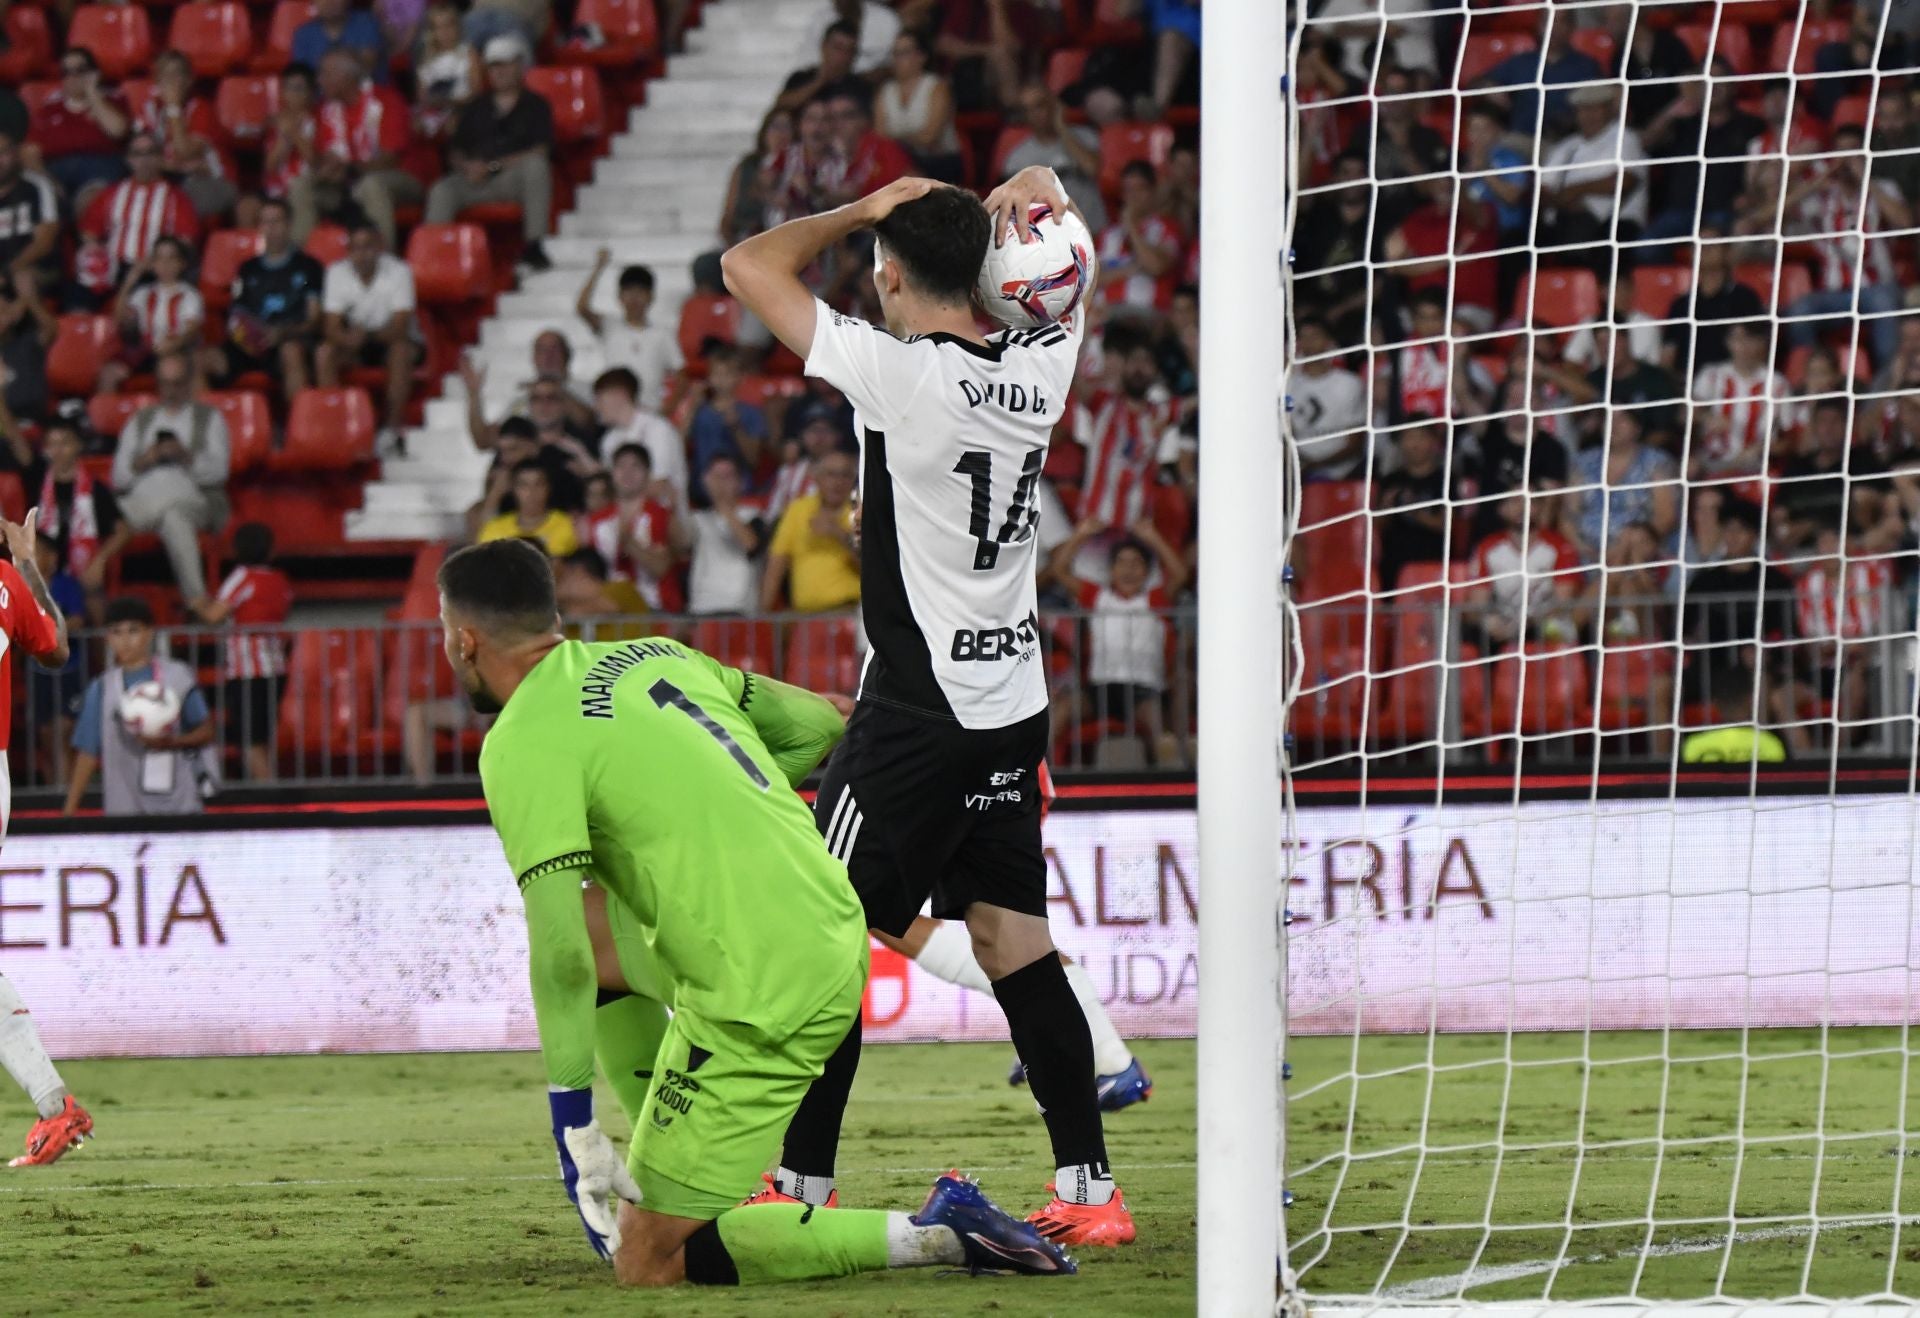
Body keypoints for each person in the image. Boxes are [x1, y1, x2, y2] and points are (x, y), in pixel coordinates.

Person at [439, 537, 1074, 1284]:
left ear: (463, 639)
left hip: (764, 984)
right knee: (598, 924)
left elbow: (557, 957)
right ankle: (673, 1166)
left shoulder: (520, 740)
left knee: (647, 1260)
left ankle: (939, 1231)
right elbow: (821, 723)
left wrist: (570, 1122)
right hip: (826, 921)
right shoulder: (656, 656)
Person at [722, 167, 1133, 1244]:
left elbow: (747, 266)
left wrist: (858, 210)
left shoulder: (898, 375)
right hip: (1011, 699)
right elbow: (1070, 271)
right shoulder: (1045, 360)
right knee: (1012, 941)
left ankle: (799, 1188)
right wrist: (1046, 183)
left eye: (876, 266)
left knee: (823, 936)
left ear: (892, 273)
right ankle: (1093, 1196)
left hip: (917, 713)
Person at [0, 506, 90, 1168]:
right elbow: (56, 648)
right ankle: (56, 1106)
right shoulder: (7, 582)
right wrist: (28, 562)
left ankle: (57, 1107)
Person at [64, 596, 216, 817]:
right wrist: (69, 810)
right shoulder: (102, 688)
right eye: (116, 632)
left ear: (149, 633)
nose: (125, 640)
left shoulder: (177, 677)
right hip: (125, 810)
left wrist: (172, 742)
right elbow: (87, 752)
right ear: (108, 637)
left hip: (180, 807)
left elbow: (206, 731)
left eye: (133, 631)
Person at [112, 351, 232, 609]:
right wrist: (148, 458)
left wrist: (185, 457)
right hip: (147, 494)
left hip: (196, 498)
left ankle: (111, 541)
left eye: (178, 383)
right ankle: (198, 601)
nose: (172, 390)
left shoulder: (209, 418)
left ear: (189, 382)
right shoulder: (140, 420)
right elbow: (119, 477)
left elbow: (219, 472)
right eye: (166, 383)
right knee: (173, 517)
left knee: (173, 500)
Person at [425, 36, 555, 270]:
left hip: (510, 178)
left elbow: (541, 149)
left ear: (519, 66)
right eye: (494, 66)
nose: (499, 72)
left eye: (505, 64)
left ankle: (534, 247)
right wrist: (467, 167)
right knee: (441, 190)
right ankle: (436, 259)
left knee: (537, 167)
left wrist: (494, 166)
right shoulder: (475, 107)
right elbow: (455, 150)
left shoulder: (536, 105)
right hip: (474, 179)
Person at [195, 522, 294, 782]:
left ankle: (270, 804)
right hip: (277, 668)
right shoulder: (280, 581)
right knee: (262, 739)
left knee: (250, 742)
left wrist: (196, 602)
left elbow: (215, 614)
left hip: (247, 670)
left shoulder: (243, 577)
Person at [293, 50, 420, 249]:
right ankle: (300, 264)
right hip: (346, 185)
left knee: (371, 185)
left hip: (397, 178)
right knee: (301, 184)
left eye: (325, 74)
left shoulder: (386, 101)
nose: (319, 80)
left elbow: (390, 160)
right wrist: (327, 168)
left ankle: (382, 264)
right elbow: (323, 157)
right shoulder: (325, 110)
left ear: (346, 77)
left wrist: (349, 169)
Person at [204, 197, 326, 404]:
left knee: (291, 352)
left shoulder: (309, 266)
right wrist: (248, 336)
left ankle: (298, 428)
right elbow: (237, 315)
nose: (271, 228)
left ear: (289, 224)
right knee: (200, 361)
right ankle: (214, 426)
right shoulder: (247, 268)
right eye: (265, 222)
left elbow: (314, 318)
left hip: (288, 339)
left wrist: (282, 333)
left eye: (276, 221)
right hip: (250, 343)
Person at [318, 221, 419, 452]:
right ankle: (335, 426)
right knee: (325, 352)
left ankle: (391, 429)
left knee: (400, 350)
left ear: (379, 247)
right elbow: (331, 327)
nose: (361, 254)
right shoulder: (337, 272)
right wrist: (348, 340)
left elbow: (400, 326)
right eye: (355, 248)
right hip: (356, 342)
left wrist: (365, 336)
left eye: (367, 247)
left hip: (392, 339)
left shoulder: (399, 271)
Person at [77, 133, 200, 294]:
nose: (144, 160)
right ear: (129, 159)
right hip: (113, 269)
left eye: (150, 153)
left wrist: (156, 263)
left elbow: (185, 242)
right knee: (77, 294)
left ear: (160, 157)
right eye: (137, 154)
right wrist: (95, 251)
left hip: (152, 273)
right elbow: (89, 231)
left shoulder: (176, 198)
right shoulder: (112, 193)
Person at [28, 414, 128, 611]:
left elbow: (124, 530)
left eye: (65, 443)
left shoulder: (95, 489)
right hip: (44, 574)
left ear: (78, 445)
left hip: (83, 575)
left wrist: (99, 561)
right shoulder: (35, 484)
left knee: (94, 602)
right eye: (52, 444)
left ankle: (101, 641)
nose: (58, 451)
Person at [99, 236, 203, 398]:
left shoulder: (189, 295)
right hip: (145, 352)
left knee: (172, 368)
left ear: (181, 264)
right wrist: (131, 279)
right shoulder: (143, 294)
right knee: (109, 372)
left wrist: (173, 344)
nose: (165, 264)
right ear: (152, 263)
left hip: (175, 350)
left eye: (171, 258)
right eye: (159, 259)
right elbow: (119, 318)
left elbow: (191, 330)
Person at [140, 50, 237, 223]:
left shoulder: (200, 109)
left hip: (213, 182)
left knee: (174, 206)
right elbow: (143, 157)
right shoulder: (152, 111)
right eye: (164, 75)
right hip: (174, 180)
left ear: (188, 80)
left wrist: (173, 108)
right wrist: (173, 166)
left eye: (176, 74)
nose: (169, 81)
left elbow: (184, 151)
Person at [575, 256, 681, 412]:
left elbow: (682, 374)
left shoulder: (663, 334)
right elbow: (582, 308)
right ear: (619, 297)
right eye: (629, 291)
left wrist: (668, 409)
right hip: (614, 412)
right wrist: (598, 268)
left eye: (640, 292)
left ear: (651, 297)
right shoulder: (609, 326)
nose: (634, 298)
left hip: (650, 411)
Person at [759, 450, 859, 613]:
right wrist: (763, 614)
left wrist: (840, 534)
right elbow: (776, 564)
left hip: (850, 614)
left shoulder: (861, 512)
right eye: (831, 474)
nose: (838, 482)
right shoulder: (798, 510)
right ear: (816, 477)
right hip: (805, 617)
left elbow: (874, 568)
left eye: (845, 475)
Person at [29, 47, 130, 204]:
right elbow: (30, 152)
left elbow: (118, 130)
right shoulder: (49, 109)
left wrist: (92, 94)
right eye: (66, 72)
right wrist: (48, 182)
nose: (73, 77)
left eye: (80, 70)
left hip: (100, 168)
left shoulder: (113, 100)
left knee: (91, 199)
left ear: (94, 73)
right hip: (57, 171)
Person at [582, 443, 676, 608]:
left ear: (648, 474)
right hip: (610, 611)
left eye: (636, 466)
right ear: (612, 473)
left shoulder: (663, 515)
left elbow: (661, 567)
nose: (628, 473)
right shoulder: (595, 521)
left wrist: (628, 542)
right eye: (621, 466)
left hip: (654, 607)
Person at [875, 31, 961, 183]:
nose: (897, 59)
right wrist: (909, 140)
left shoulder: (937, 87)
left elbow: (930, 137)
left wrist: (897, 140)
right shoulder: (885, 91)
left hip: (937, 161)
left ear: (921, 56)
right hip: (899, 161)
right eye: (895, 53)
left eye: (904, 53)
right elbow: (880, 137)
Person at [683, 454, 765, 614]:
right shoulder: (698, 519)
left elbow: (750, 544)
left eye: (727, 476)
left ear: (740, 482)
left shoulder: (753, 515)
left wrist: (723, 505)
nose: (720, 482)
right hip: (700, 608)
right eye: (715, 476)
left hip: (738, 608)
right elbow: (680, 544)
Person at [686, 346, 767, 502]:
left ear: (740, 377)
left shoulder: (751, 413)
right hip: (702, 493)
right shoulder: (700, 411)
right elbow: (679, 443)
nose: (721, 380)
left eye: (727, 374)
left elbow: (753, 459)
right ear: (709, 377)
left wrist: (736, 427)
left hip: (739, 493)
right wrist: (692, 408)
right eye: (716, 374)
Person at [591, 367, 686, 500]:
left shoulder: (658, 429)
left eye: (599, 399)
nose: (596, 407)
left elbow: (659, 486)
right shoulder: (609, 440)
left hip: (663, 515)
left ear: (620, 395)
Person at [476, 460, 580, 556]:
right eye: (524, 485)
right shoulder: (495, 528)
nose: (531, 492)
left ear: (548, 488)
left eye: (538, 484)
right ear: (513, 489)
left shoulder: (566, 524)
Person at [0, 132, 59, 296]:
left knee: (23, 278)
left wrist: (7, 271)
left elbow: (44, 242)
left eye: (3, 153)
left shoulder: (36, 186)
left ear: (15, 154)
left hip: (35, 269)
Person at [776, 21, 863, 114]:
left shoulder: (860, 87)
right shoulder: (801, 78)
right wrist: (820, 81)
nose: (844, 55)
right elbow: (782, 106)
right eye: (838, 47)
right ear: (824, 46)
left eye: (850, 50)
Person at [292, 0, 389, 83]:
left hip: (364, 98)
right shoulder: (304, 34)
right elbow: (302, 77)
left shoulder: (366, 22)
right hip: (320, 101)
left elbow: (367, 67)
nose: (329, 2)